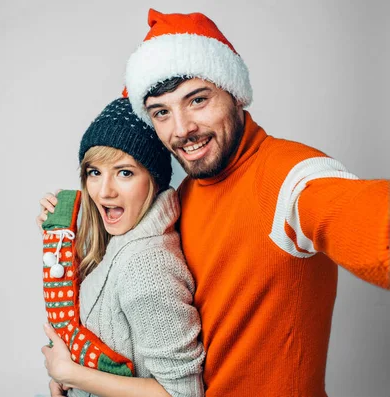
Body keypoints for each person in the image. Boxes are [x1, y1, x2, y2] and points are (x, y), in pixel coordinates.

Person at [118, 9, 390, 396]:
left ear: (234, 93)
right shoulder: (179, 200)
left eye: (197, 100)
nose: (181, 129)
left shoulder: (291, 177)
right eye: (161, 112)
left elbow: (364, 216)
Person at [36, 97, 206, 397]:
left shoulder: (146, 265)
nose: (105, 191)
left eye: (125, 172)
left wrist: (70, 373)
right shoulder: (123, 243)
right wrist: (60, 240)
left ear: (152, 179)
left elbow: (183, 394)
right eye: (94, 172)